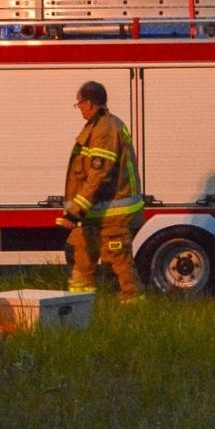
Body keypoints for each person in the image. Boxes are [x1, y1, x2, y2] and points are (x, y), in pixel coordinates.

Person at [59, 80, 144, 301]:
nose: (79, 110)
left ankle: (133, 315)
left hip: (113, 216)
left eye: (79, 104)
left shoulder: (104, 129)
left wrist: (74, 211)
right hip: (96, 214)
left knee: (119, 268)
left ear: (88, 103)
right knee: (78, 253)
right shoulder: (98, 126)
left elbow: (99, 175)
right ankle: (80, 312)